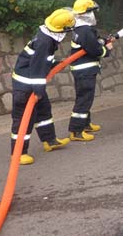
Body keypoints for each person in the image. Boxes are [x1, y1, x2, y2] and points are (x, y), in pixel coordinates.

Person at [11, 9, 75, 165]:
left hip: (32, 82)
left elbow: (40, 60)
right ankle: (18, 153)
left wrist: (54, 64)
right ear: (62, 30)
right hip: (26, 85)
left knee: (44, 111)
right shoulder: (45, 42)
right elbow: (37, 67)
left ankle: (50, 141)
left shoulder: (47, 36)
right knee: (23, 120)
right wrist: (38, 91)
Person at [68, 0, 113, 142]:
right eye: (93, 12)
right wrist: (106, 49)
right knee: (84, 99)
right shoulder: (85, 30)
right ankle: (76, 131)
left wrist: (104, 41)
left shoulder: (82, 29)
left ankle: (85, 124)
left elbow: (94, 41)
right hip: (85, 72)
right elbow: (95, 50)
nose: (95, 15)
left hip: (82, 70)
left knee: (86, 97)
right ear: (87, 14)